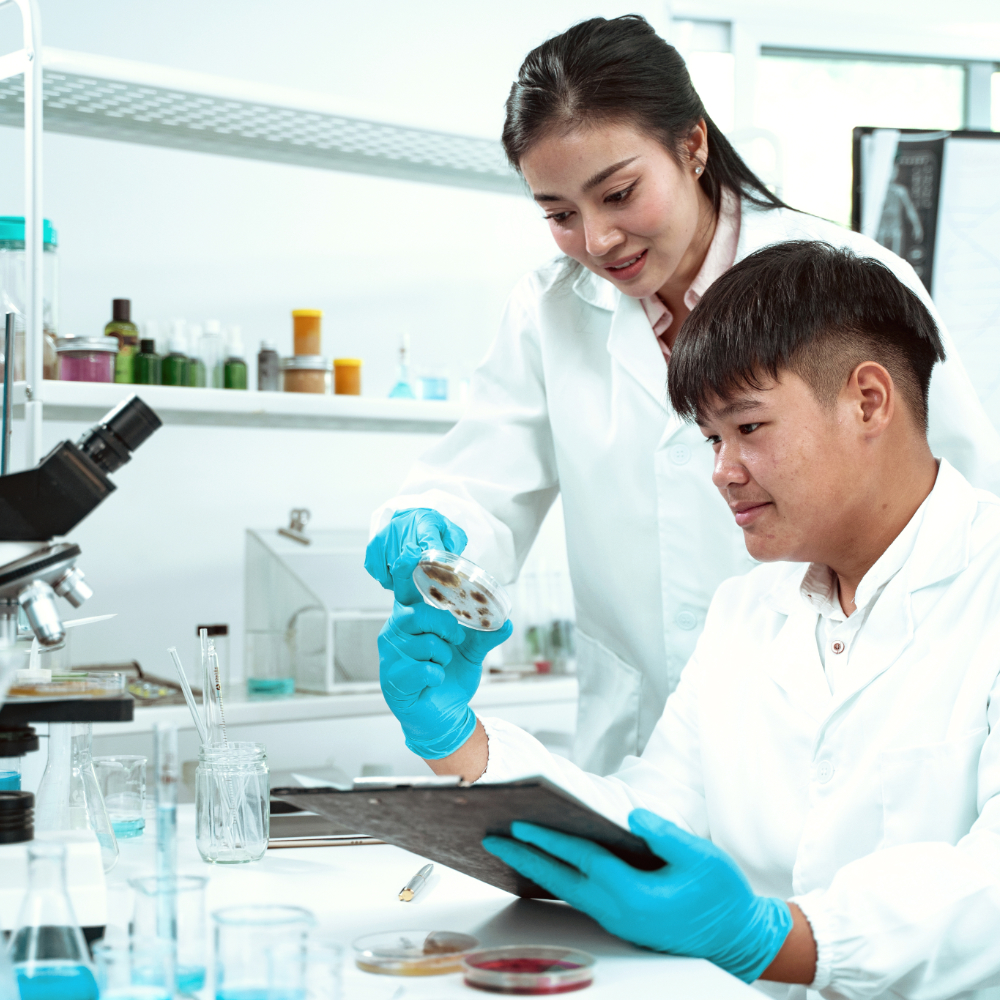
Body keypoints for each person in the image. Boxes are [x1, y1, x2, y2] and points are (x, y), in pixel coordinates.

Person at [366, 15, 1000, 777]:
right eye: (561, 215)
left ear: (692, 145)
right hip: (647, 737)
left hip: (845, 716)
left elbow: (961, 500)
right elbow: (482, 479)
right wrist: (437, 539)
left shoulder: (843, 282)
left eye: (619, 193)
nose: (597, 241)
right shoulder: (550, 313)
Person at [377, 242, 1000, 999]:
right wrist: (462, 741)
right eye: (711, 437)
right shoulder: (747, 610)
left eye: (748, 428)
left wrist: (777, 939)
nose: (721, 470)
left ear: (868, 400)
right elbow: (651, 823)